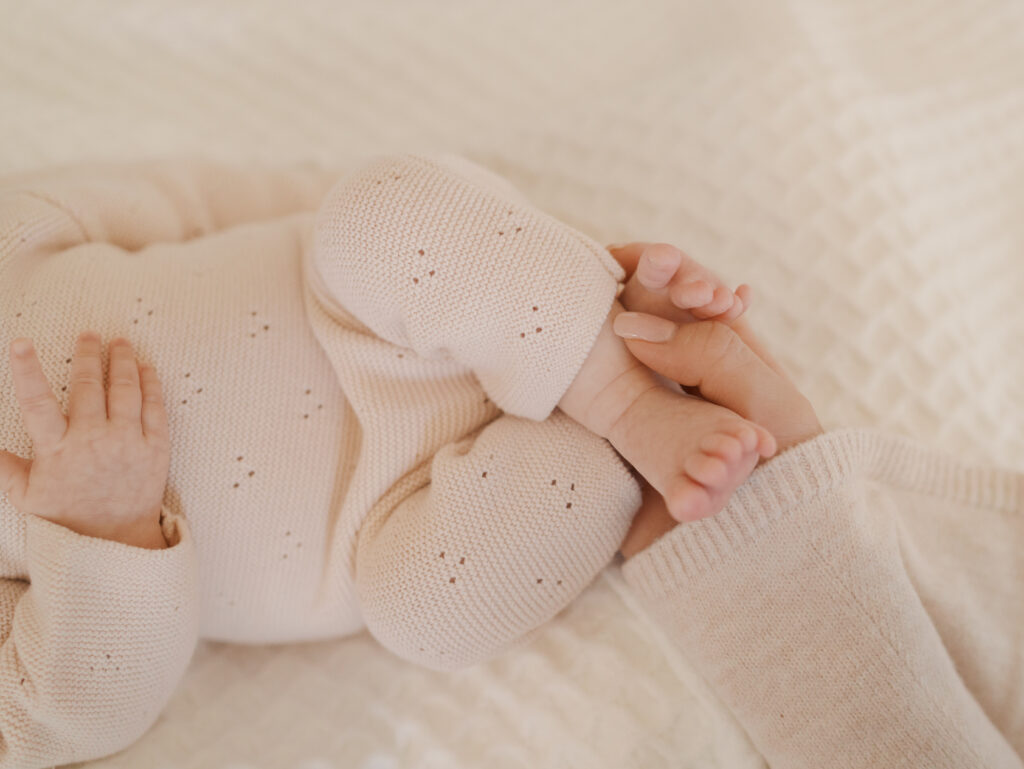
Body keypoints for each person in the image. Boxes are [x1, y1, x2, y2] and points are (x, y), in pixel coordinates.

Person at [0, 156, 1021, 768]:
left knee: (380, 209)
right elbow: (69, 709)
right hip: (387, 524)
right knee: (428, 622)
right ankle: (615, 388)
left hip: (360, 315)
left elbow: (204, 197)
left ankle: (600, 357)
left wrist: (517, 255)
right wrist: (102, 528)